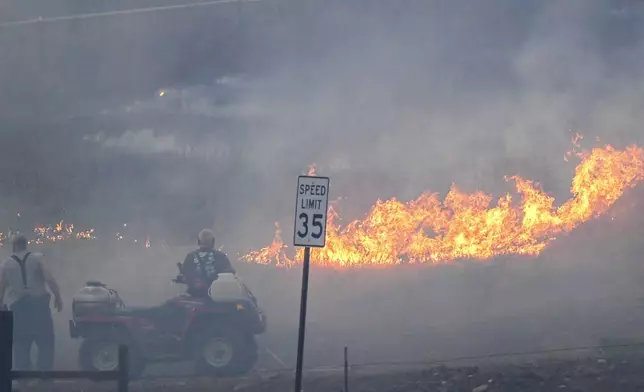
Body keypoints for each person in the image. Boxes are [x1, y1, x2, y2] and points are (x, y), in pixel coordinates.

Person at [0, 234, 63, 371]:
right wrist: (58, 296)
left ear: (14, 246)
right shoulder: (38, 258)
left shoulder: (6, 264)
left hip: (19, 307)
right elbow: (49, 278)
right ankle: (44, 376)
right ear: (25, 244)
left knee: (21, 343)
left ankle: (23, 377)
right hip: (39, 305)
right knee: (46, 341)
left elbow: (1, 288)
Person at [181, 229, 235, 297]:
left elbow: (183, 274)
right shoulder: (220, 256)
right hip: (217, 295)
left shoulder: (190, 256)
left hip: (195, 294)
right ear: (213, 242)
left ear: (198, 241)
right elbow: (231, 272)